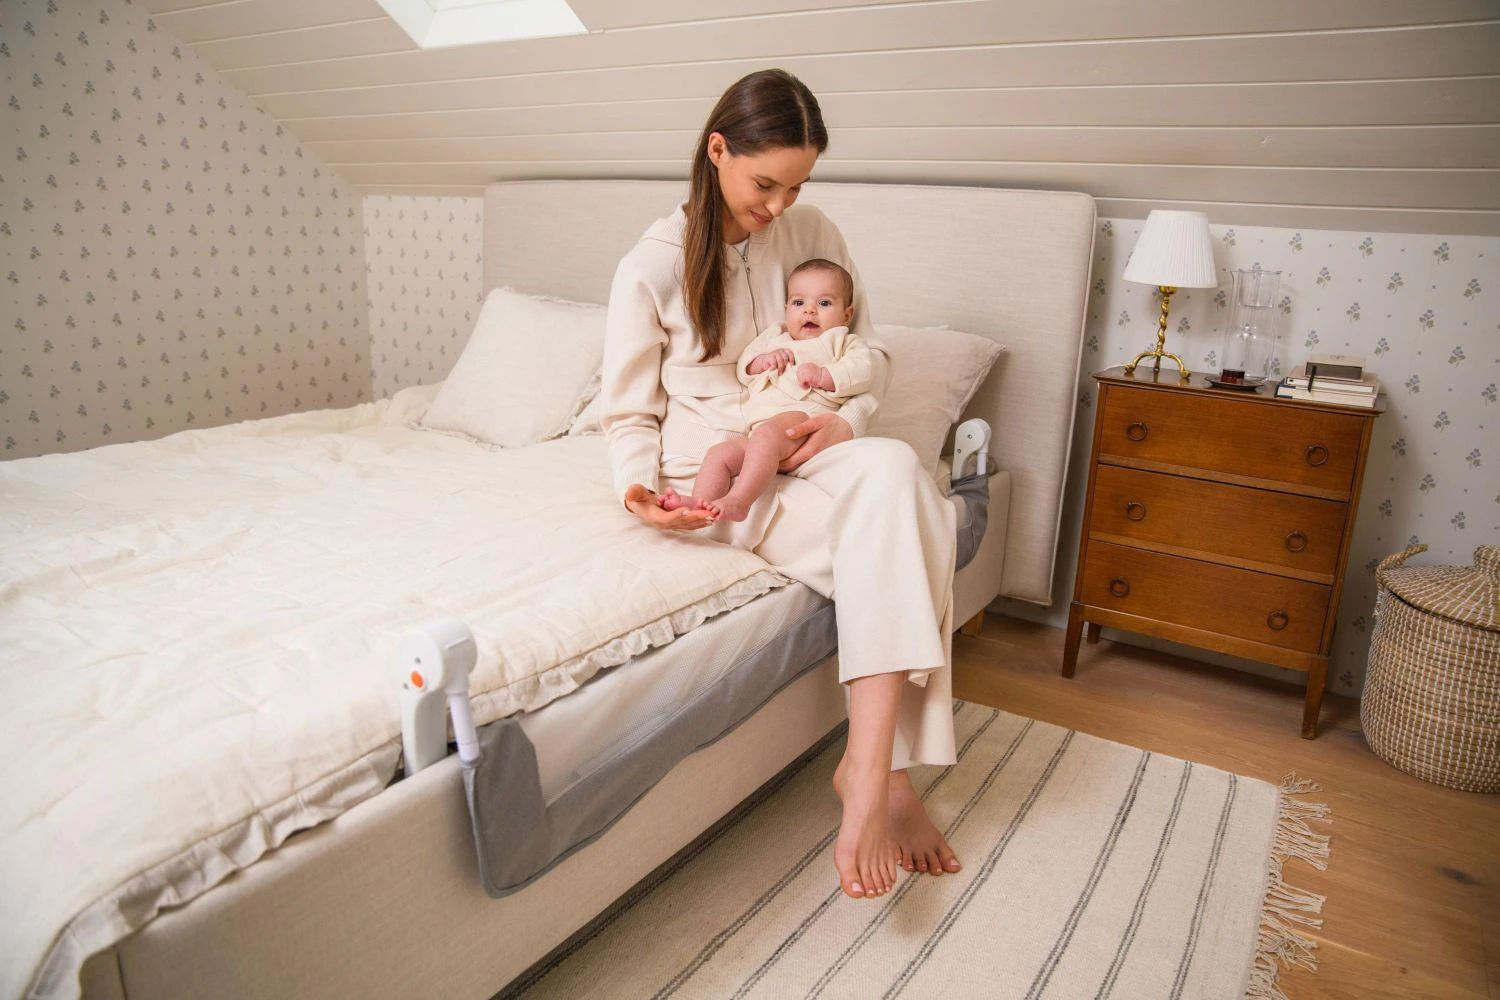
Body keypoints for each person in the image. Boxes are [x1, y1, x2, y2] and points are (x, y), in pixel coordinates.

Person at [601, 68, 961, 901]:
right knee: (918, 525)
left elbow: (867, 356)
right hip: (716, 471)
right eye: (766, 183)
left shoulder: (812, 231)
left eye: (796, 185)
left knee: (898, 470)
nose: (779, 204)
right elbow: (627, 414)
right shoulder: (650, 266)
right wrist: (637, 492)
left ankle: (865, 772)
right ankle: (887, 779)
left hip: (808, 438)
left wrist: (850, 422)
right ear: (717, 151)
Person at [658, 258, 872, 522]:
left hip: (803, 420)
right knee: (719, 454)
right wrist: (763, 361)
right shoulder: (775, 337)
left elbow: (863, 371)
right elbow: (744, 368)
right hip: (761, 432)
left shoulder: (843, 341)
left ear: (847, 315)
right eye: (798, 303)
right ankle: (701, 503)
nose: (809, 311)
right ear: (786, 309)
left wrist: (824, 375)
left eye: (824, 303)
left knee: (766, 436)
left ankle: (739, 501)